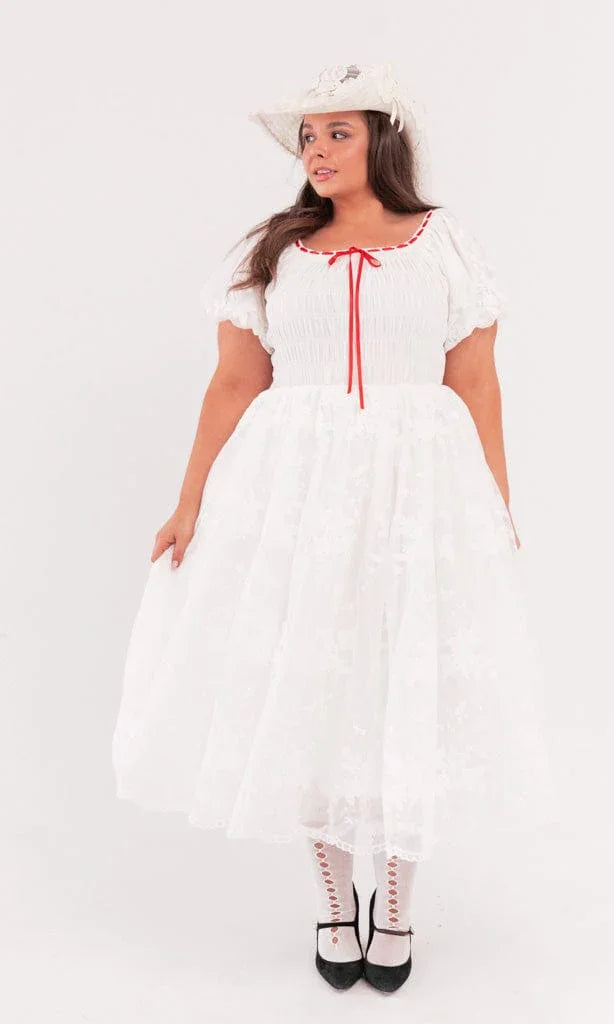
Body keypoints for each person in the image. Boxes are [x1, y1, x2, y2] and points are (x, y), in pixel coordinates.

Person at [111, 62, 560, 993]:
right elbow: (235, 381)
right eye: (308, 138)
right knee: (310, 682)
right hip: (294, 491)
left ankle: (393, 904)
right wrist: (189, 501)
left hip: (416, 490)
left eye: (336, 133)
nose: (315, 151)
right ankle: (331, 901)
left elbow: (475, 381)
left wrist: (495, 502)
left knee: (400, 680)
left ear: (382, 140)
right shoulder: (271, 250)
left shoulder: (443, 244)